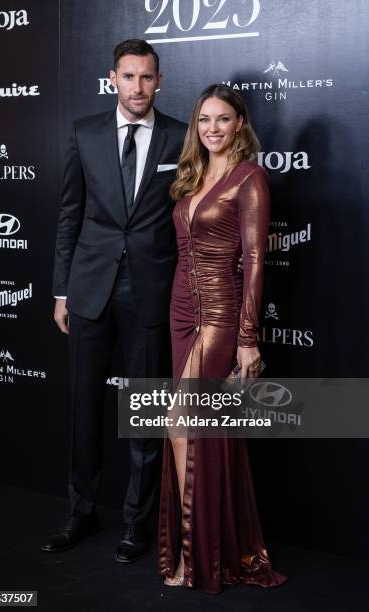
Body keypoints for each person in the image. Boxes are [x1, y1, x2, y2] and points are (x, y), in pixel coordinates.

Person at [42, 39, 187, 562]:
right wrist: (61, 291)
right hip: (88, 291)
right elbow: (69, 217)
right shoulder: (85, 133)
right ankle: (80, 514)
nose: (138, 87)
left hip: (151, 292)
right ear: (112, 79)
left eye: (147, 77)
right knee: (85, 409)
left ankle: (136, 524)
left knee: (145, 416)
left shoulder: (181, 136)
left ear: (159, 81)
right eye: (129, 77)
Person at [158, 84, 288, 593]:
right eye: (204, 119)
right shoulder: (191, 175)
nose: (212, 128)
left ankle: (199, 557)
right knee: (193, 431)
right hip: (180, 311)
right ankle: (208, 550)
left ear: (240, 124)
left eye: (223, 119)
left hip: (220, 314)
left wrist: (248, 338)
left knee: (188, 428)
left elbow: (255, 261)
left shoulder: (250, 177)